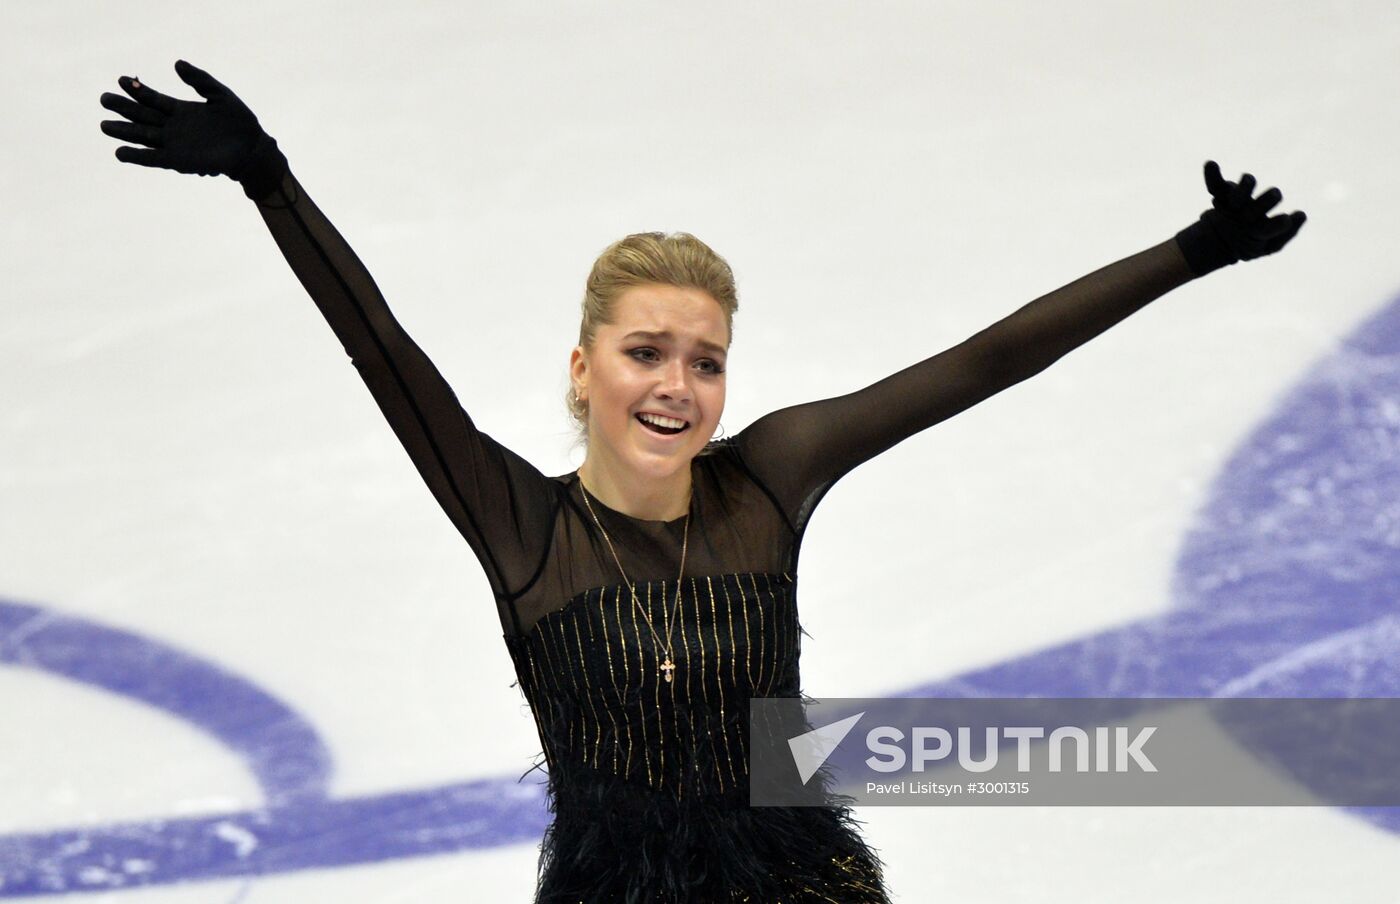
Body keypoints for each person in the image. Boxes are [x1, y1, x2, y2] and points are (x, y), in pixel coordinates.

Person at [98, 60, 1307, 903]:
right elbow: (382, 352)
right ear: (584, 370)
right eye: (643, 353)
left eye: (704, 360)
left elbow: (982, 362)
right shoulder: (523, 527)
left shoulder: (767, 480)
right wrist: (270, 181)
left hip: (800, 884)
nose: (675, 385)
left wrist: (1188, 252)